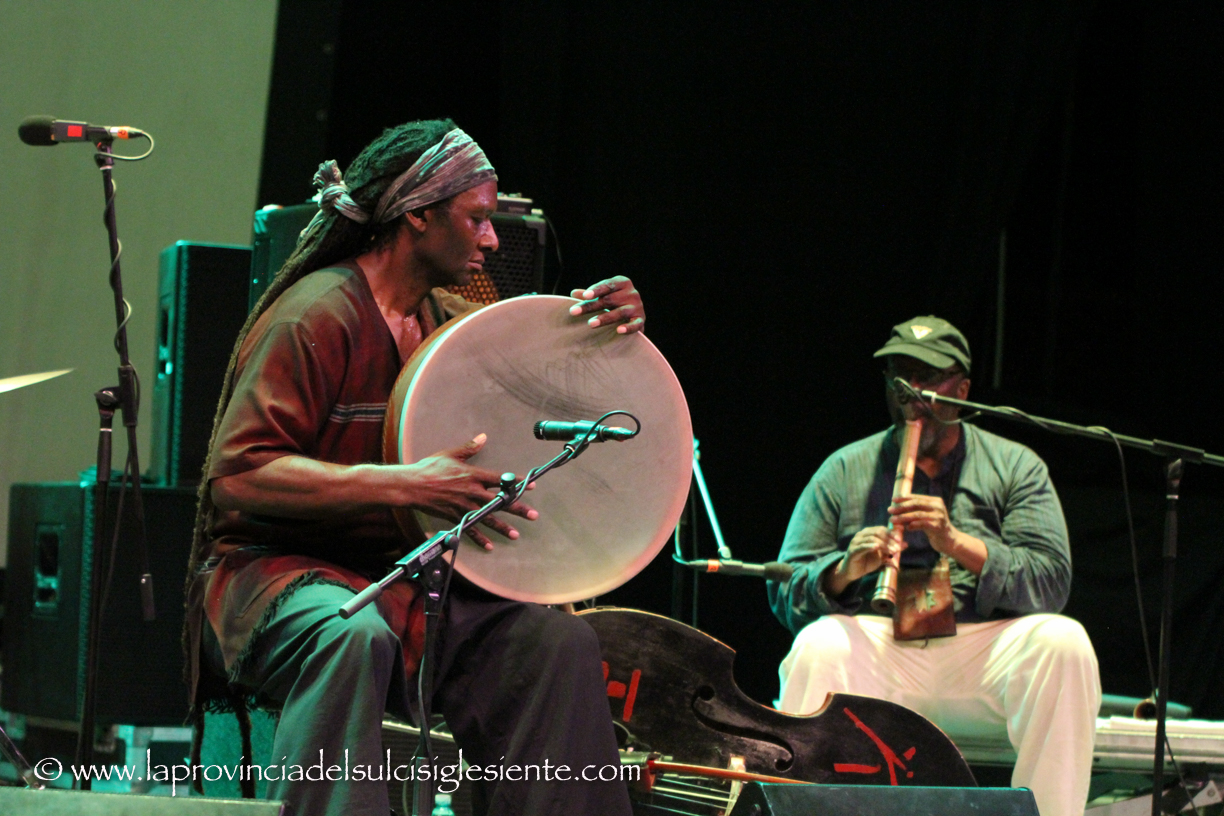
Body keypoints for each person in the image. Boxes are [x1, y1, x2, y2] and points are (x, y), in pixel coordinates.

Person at [183, 119, 642, 816]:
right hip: (278, 577)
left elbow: (549, 407)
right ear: (419, 215)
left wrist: (607, 332)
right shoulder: (313, 317)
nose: (493, 239)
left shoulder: (451, 322)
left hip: (407, 582)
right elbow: (239, 478)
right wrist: (407, 484)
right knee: (350, 634)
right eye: (477, 218)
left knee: (553, 644)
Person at [768, 316, 1100, 816]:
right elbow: (784, 586)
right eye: (899, 377)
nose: (911, 393)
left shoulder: (1016, 465)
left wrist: (956, 542)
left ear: (962, 390)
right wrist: (845, 569)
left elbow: (1050, 581)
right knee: (819, 644)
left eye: (926, 378)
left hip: (979, 651)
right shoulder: (844, 468)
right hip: (882, 646)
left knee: (1063, 642)